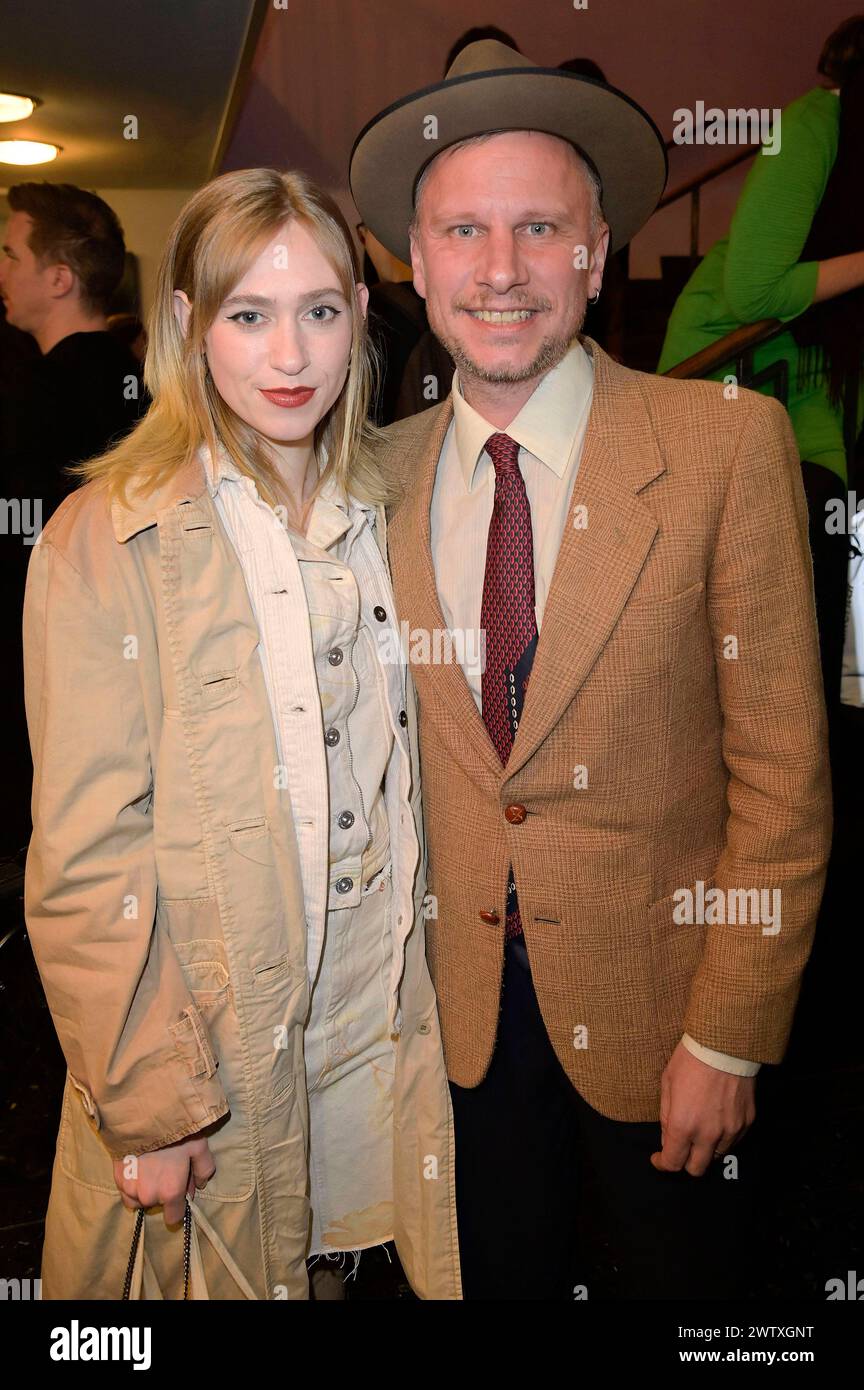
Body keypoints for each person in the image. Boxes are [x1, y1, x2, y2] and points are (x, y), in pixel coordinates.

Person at [350, 38, 832, 1300]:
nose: (500, 270)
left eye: (538, 229)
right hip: (448, 1027)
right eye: (462, 231)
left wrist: (730, 1033)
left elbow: (783, 776)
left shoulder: (728, 446)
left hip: (666, 1014)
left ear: (598, 254)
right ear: (416, 259)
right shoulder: (369, 477)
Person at [22, 167, 460, 1300]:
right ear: (185, 325)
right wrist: (151, 1102)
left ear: (361, 319)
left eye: (319, 310)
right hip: (213, 1061)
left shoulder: (396, 514)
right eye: (247, 315)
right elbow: (84, 856)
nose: (289, 356)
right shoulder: (104, 538)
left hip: (371, 1042)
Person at [658, 17, 864, 735]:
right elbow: (754, 292)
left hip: (812, 378)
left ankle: (816, 747)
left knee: (839, 538)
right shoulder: (814, 124)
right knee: (775, 550)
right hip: (728, 364)